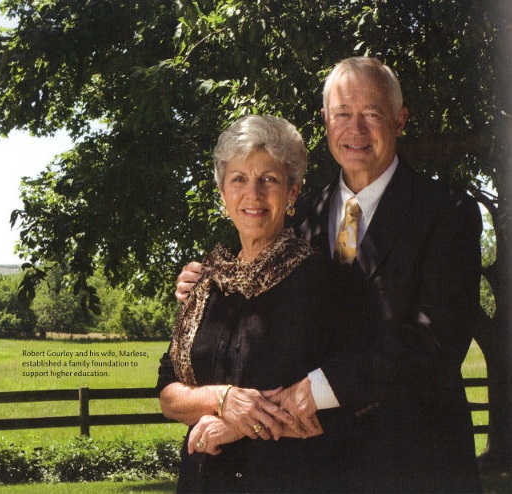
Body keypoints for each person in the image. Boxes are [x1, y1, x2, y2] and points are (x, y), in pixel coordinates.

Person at [175, 57, 483, 493]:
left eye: (371, 114)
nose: (355, 129)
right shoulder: (298, 219)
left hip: (416, 465)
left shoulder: (447, 212)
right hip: (316, 470)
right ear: (324, 121)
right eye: (342, 114)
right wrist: (202, 284)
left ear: (400, 120)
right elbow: (260, 347)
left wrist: (319, 390)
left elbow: (435, 341)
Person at [158, 114, 342, 493]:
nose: (253, 195)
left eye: (268, 180)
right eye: (238, 179)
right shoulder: (204, 283)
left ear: (292, 192)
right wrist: (220, 399)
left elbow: (347, 404)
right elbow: (168, 395)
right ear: (223, 193)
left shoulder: (321, 280)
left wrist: (234, 427)